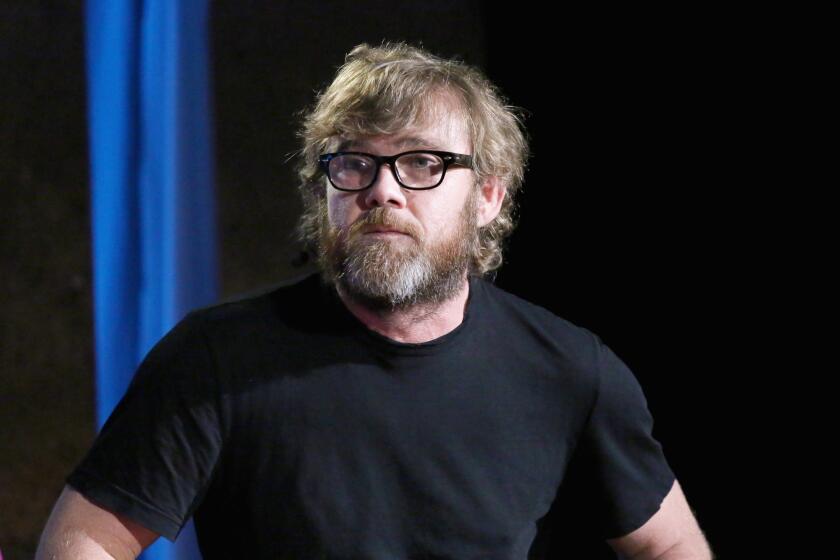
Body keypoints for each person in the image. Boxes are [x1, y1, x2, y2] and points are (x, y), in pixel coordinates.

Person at [36, 41, 713, 559]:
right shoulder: (215, 360)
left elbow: (672, 544)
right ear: (324, 189)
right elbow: (86, 538)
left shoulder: (570, 371)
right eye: (354, 163)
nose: (383, 190)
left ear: (488, 196)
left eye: (422, 163)